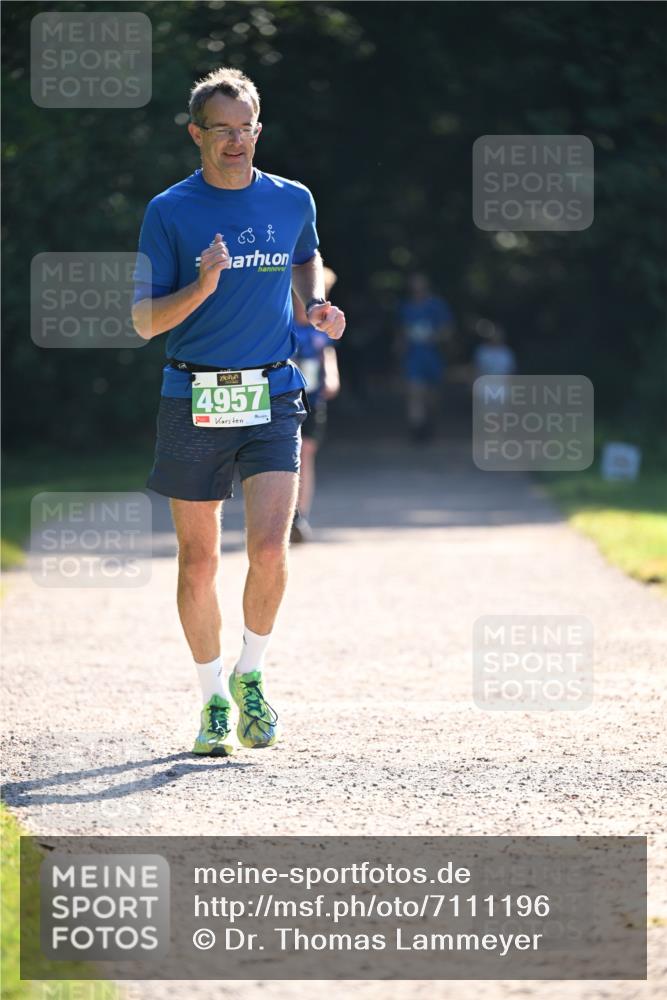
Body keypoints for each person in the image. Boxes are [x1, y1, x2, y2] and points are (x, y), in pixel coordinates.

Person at [132, 67, 345, 756]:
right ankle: (211, 699)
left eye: (245, 127)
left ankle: (250, 674)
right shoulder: (170, 210)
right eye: (220, 130)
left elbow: (307, 259)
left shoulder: (292, 200)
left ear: (259, 128)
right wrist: (202, 284)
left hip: (272, 393)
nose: (235, 141)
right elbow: (143, 321)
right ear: (196, 134)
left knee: (266, 548)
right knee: (197, 562)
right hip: (193, 394)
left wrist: (312, 304)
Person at [290, 266, 341, 543]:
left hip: (313, 398)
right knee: (288, 451)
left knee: (305, 451)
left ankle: (300, 515)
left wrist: (332, 377)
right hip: (284, 398)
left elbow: (329, 358)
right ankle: (283, 514)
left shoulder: (321, 332)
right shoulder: (283, 325)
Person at [397, 273, 454, 442]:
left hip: (433, 355)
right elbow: (401, 333)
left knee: (432, 397)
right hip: (414, 356)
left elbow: (448, 330)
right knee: (415, 392)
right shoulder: (406, 307)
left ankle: (429, 425)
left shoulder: (437, 305)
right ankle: (417, 432)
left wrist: (434, 337)